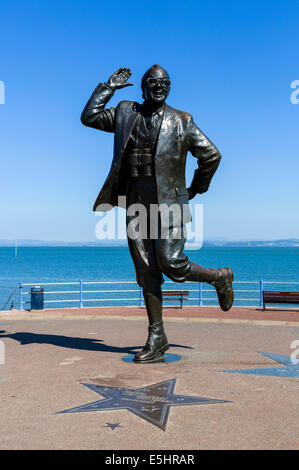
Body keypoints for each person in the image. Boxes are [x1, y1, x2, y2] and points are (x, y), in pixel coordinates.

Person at [81, 65, 234, 362]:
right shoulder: (126, 112)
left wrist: (196, 188)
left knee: (171, 263)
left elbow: (211, 155)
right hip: (136, 200)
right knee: (146, 270)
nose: (158, 86)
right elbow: (90, 117)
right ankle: (157, 336)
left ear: (170, 86)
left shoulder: (182, 120)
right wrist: (108, 87)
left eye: (164, 82)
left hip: (170, 203)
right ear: (142, 87)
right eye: (152, 82)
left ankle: (219, 277)